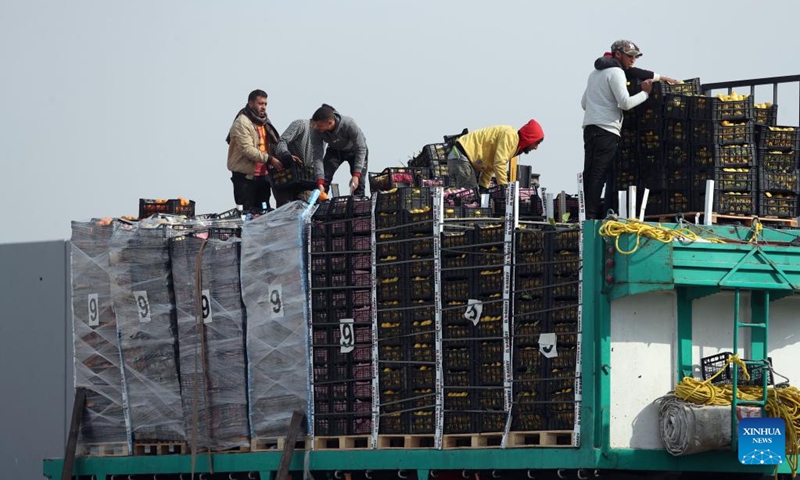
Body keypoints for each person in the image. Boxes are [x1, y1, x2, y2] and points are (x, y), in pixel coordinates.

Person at [581, 40, 655, 220]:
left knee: (589, 172)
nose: (633, 60)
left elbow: (584, 103)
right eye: (630, 56)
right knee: (600, 173)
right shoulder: (617, 73)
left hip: (589, 127)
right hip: (607, 129)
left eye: (635, 56)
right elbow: (625, 103)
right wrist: (645, 93)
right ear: (617, 54)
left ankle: (587, 214)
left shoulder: (594, 74)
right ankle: (591, 216)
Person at [226, 89, 283, 212]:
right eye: (260, 103)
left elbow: (272, 144)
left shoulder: (264, 122)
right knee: (247, 216)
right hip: (245, 178)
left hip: (263, 177)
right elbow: (247, 150)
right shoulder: (242, 122)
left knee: (264, 213)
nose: (263, 107)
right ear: (250, 103)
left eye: (265, 104)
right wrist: (270, 159)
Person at [447, 119, 544, 191]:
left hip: (461, 158)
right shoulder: (510, 136)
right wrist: (504, 187)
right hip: (462, 156)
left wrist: (483, 186)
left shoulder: (514, 146)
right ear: (529, 138)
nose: (536, 148)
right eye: (536, 143)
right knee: (470, 196)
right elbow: (499, 163)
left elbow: (491, 165)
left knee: (472, 195)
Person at [310, 104, 368, 197]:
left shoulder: (349, 124)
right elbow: (317, 156)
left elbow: (360, 148)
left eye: (320, 126)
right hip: (334, 150)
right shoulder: (316, 130)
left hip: (355, 151)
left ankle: (358, 205)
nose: (317, 128)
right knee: (324, 180)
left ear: (330, 123)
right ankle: (321, 205)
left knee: (358, 183)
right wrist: (320, 181)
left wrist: (356, 175)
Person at [273, 119, 325, 206]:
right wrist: (286, 154)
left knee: (306, 210)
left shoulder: (325, 137)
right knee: (285, 211)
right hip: (287, 177)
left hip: (306, 179)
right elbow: (281, 142)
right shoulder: (301, 125)